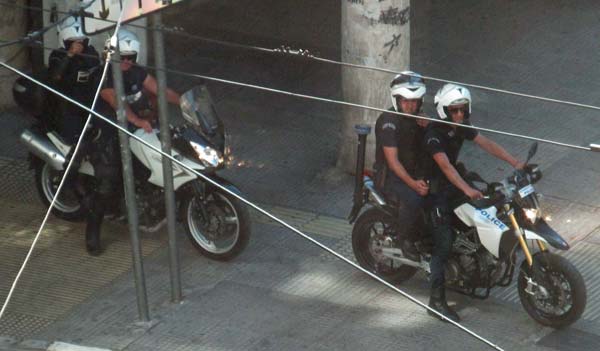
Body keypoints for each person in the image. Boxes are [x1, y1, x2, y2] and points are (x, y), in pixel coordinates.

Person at [423, 83, 524, 322]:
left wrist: (515, 162)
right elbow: (445, 167)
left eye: (463, 110)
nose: (459, 114)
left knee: (487, 207)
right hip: (434, 191)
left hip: (454, 185)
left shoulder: (461, 126)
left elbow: (485, 142)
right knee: (444, 244)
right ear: (443, 110)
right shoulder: (433, 135)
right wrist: (467, 189)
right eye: (454, 110)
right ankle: (436, 302)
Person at [84, 29, 181, 255]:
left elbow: (160, 89)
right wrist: (138, 120)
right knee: (110, 179)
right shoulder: (104, 75)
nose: (127, 61)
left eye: (131, 57)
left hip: (136, 130)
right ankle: (93, 232)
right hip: (108, 131)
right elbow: (117, 101)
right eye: (123, 57)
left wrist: (185, 102)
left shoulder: (137, 72)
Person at [373, 71, 430, 258]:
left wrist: (428, 126)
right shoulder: (388, 122)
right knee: (414, 199)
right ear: (396, 99)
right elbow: (393, 162)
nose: (410, 105)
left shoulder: (418, 119)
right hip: (391, 178)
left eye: (415, 101)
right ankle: (404, 239)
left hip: (413, 174)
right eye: (405, 101)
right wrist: (414, 184)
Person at [48, 16, 100, 144]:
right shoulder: (58, 55)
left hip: (88, 100)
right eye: (73, 42)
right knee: (71, 135)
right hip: (66, 102)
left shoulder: (91, 53)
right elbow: (55, 76)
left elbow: (97, 70)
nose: (77, 46)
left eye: (81, 42)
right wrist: (69, 55)